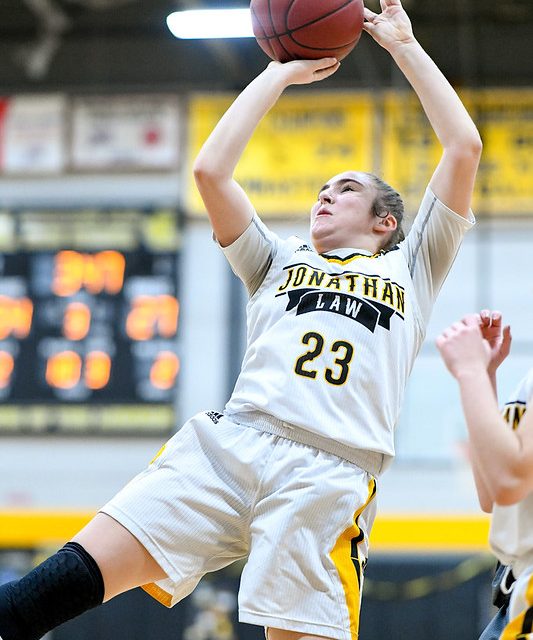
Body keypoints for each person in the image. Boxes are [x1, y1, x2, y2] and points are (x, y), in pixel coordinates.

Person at [0, 1, 482, 639]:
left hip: (327, 473)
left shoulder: (414, 267)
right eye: (322, 189)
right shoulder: (276, 261)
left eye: (343, 189)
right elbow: (210, 171)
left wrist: (403, 46)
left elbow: (464, 145)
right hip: (229, 447)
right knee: (44, 593)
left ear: (384, 222)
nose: (324, 195)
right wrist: (281, 71)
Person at [437, 310, 533, 640]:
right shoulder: (528, 381)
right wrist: (486, 376)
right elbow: (492, 495)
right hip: (517, 595)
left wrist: (471, 371)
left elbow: (509, 483)